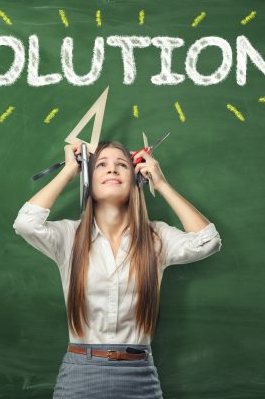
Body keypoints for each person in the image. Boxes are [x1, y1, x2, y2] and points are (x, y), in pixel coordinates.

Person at [13, 141, 222, 398]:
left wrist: (163, 184)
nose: (112, 170)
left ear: (137, 179)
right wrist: (69, 171)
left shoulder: (156, 238)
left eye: (121, 165)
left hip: (140, 376)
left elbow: (208, 241)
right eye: (101, 165)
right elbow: (25, 224)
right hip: (80, 375)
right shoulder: (69, 236)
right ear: (89, 177)